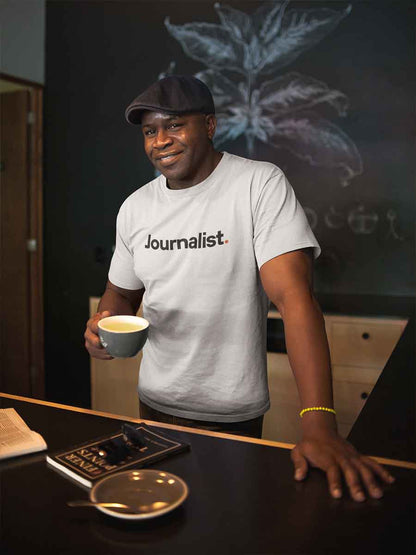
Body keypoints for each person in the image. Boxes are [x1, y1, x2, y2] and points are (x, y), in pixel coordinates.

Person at [85, 75, 394, 502]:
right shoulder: (136, 207)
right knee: (164, 526)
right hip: (153, 407)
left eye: (175, 125)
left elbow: (295, 301)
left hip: (232, 414)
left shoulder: (258, 185)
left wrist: (319, 424)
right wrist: (101, 324)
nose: (161, 141)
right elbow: (120, 294)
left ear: (209, 126)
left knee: (228, 524)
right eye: (150, 131)